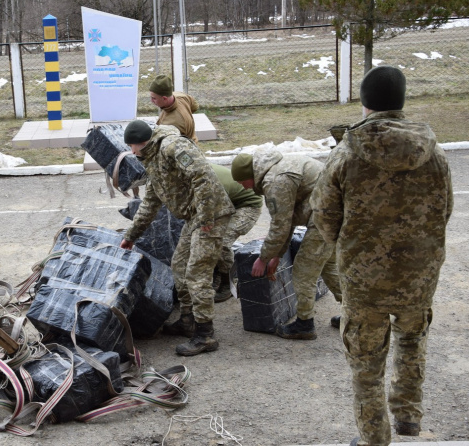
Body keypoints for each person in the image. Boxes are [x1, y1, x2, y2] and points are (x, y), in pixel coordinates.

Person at [310, 66, 453, 446]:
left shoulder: (346, 154)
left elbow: (324, 215)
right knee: (411, 341)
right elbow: (445, 209)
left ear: (365, 102)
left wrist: (350, 249)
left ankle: (375, 437)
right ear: (402, 102)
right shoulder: (434, 152)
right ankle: (407, 416)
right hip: (419, 275)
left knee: (365, 362)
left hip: (364, 280)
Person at [119, 120, 234, 356]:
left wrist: (205, 218)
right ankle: (188, 320)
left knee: (197, 272)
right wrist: (130, 237)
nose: (132, 152)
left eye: (133, 146)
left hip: (210, 215)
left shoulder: (174, 146)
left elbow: (202, 176)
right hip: (194, 218)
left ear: (144, 142)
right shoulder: (154, 161)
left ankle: (205, 335)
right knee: (179, 266)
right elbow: (150, 203)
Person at [231, 147, 342, 340]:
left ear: (251, 175)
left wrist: (263, 259)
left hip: (326, 217)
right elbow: (288, 220)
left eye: (242, 182)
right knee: (328, 265)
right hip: (332, 213)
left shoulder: (276, 181)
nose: (244, 187)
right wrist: (276, 255)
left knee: (303, 272)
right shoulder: (277, 168)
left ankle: (304, 324)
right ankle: (356, 314)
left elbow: (280, 225)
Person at [209, 163, 263, 303]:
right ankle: (217, 273)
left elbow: (218, 209)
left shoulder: (208, 180)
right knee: (207, 237)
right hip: (230, 202)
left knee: (222, 241)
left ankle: (228, 283)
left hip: (248, 205)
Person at [148, 74, 199, 141]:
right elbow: (195, 106)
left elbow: (164, 145)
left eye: (154, 98)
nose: (151, 101)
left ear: (164, 98)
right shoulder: (181, 96)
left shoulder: (174, 123)